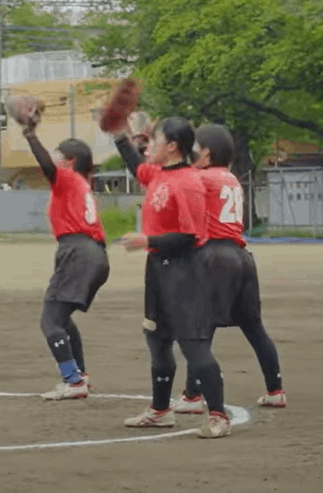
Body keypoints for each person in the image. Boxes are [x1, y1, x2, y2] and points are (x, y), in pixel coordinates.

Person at [116, 117, 231, 438]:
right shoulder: (158, 174)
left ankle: (219, 416)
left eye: (155, 140)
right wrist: (119, 137)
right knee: (157, 338)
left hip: (185, 271)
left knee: (193, 344)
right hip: (158, 270)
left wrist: (147, 241)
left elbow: (191, 236)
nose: (149, 145)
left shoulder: (189, 182)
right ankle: (160, 410)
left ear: (171, 147)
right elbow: (137, 167)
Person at [170, 125, 285, 413]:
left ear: (206, 153)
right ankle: (275, 389)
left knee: (200, 326)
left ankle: (192, 396)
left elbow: (173, 180)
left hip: (214, 256)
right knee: (254, 327)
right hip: (241, 255)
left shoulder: (201, 177)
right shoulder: (230, 177)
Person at [18, 109, 109, 400]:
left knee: (50, 321)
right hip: (93, 253)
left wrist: (30, 134)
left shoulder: (67, 178)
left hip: (78, 251)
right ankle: (79, 375)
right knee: (64, 320)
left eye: (58, 154)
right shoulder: (79, 183)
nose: (52, 158)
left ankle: (72, 380)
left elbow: (46, 165)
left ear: (70, 162)